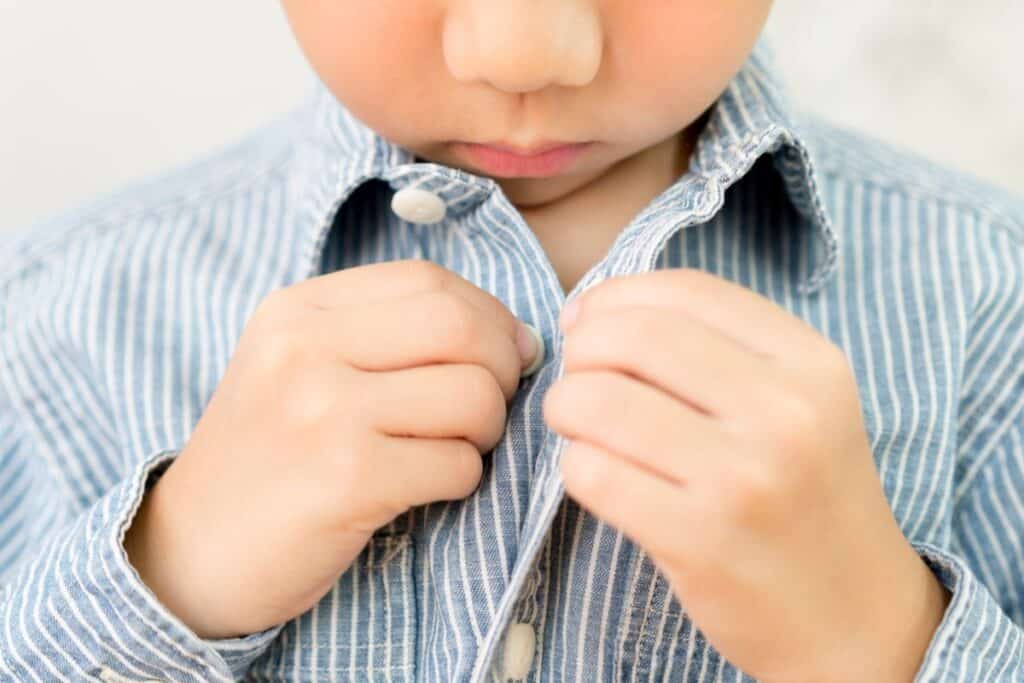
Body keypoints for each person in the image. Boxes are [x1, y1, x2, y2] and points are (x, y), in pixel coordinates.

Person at [1, 1, 1022, 680]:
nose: (524, 52)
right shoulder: (54, 321)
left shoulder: (993, 306)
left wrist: (880, 639)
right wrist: (167, 572)